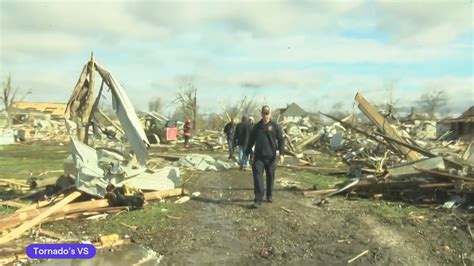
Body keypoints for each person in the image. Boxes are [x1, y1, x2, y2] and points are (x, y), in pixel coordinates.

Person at [246, 105, 284, 208]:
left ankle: (269, 195)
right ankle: (258, 199)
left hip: (271, 157)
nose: (265, 116)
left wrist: (281, 154)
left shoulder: (275, 126)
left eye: (267, 114)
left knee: (270, 177)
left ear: (270, 114)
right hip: (258, 157)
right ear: (261, 114)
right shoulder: (257, 127)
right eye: (264, 113)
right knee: (258, 178)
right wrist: (246, 153)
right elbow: (251, 141)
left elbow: (281, 140)